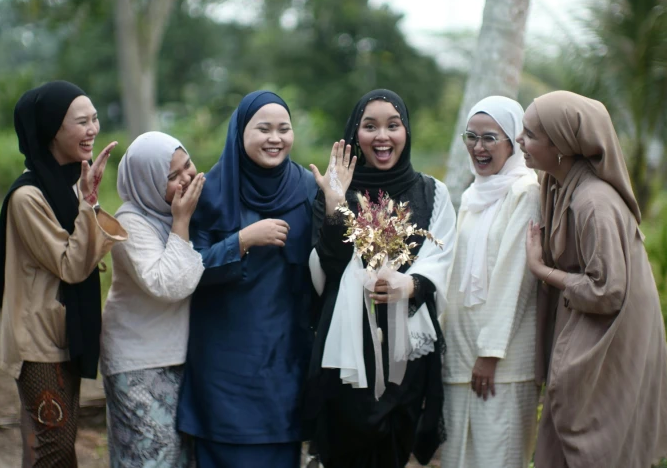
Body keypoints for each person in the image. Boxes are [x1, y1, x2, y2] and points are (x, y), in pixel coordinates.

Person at [519, 90, 667, 468]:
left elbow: (608, 291)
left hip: (613, 335)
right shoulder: (556, 186)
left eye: (530, 134)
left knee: (599, 443)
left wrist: (541, 270)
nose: (519, 140)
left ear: (563, 145)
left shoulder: (593, 203)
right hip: (586, 323)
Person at [305, 89, 456, 468]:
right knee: (345, 448)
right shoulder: (334, 191)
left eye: (393, 125)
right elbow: (324, 270)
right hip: (346, 349)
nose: (382, 136)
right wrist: (336, 206)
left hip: (407, 350)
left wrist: (410, 284)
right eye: (369, 126)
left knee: (395, 448)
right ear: (355, 135)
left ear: (407, 132)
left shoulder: (432, 192)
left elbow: (442, 256)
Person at [0, 81, 127, 467]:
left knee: (44, 443)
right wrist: (90, 202)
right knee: (55, 445)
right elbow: (72, 265)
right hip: (38, 342)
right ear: (52, 131)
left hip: (62, 333)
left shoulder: (67, 185)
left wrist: (86, 198)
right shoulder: (27, 197)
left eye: (95, 119)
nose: (93, 129)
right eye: (82, 122)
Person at [176, 90, 318, 468]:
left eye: (284, 129)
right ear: (240, 132)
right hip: (224, 361)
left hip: (285, 360)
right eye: (264, 129)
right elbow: (187, 270)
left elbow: (327, 268)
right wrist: (241, 241)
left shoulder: (308, 190)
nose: (276, 138)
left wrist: (337, 211)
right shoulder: (212, 192)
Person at [440, 96, 540, 468]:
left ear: (513, 142)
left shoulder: (525, 192)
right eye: (472, 136)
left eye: (490, 138)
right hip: (461, 352)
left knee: (499, 454)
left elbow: (516, 276)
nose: (478, 147)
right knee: (458, 457)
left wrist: (490, 353)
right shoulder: (472, 195)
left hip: (504, 361)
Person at [100, 132, 205, 467]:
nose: (187, 177)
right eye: (172, 176)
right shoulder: (130, 222)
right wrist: (182, 221)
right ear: (146, 183)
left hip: (177, 354)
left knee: (178, 457)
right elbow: (169, 285)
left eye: (187, 165)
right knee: (151, 457)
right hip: (138, 360)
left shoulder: (177, 211)